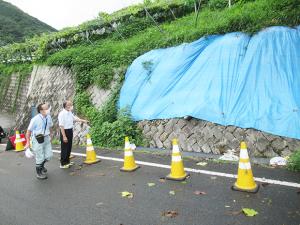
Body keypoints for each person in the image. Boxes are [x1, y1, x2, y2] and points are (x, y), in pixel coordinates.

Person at [25, 103, 53, 180]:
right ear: (41, 111)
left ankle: (41, 166)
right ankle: (39, 173)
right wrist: (28, 142)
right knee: (40, 157)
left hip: (46, 138)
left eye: (48, 108)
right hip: (37, 139)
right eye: (46, 108)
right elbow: (28, 131)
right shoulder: (35, 119)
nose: (48, 109)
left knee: (49, 155)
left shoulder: (49, 117)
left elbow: (50, 126)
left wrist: (51, 135)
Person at [58, 100, 89, 168]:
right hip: (64, 131)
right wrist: (64, 136)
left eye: (71, 104)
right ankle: (63, 164)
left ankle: (67, 161)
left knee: (69, 147)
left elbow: (74, 118)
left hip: (70, 130)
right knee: (64, 148)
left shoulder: (69, 112)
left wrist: (83, 121)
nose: (71, 106)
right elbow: (61, 126)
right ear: (66, 106)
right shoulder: (62, 114)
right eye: (70, 105)